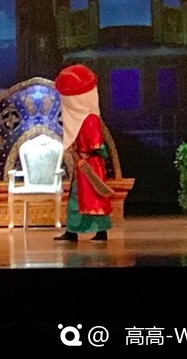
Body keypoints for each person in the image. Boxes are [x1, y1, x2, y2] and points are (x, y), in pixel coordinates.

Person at [53, 64, 114, 243]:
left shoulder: (90, 119)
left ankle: (99, 232)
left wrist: (88, 154)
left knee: (93, 198)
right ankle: (72, 231)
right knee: (77, 199)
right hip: (83, 165)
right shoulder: (80, 118)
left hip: (90, 166)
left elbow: (96, 145)